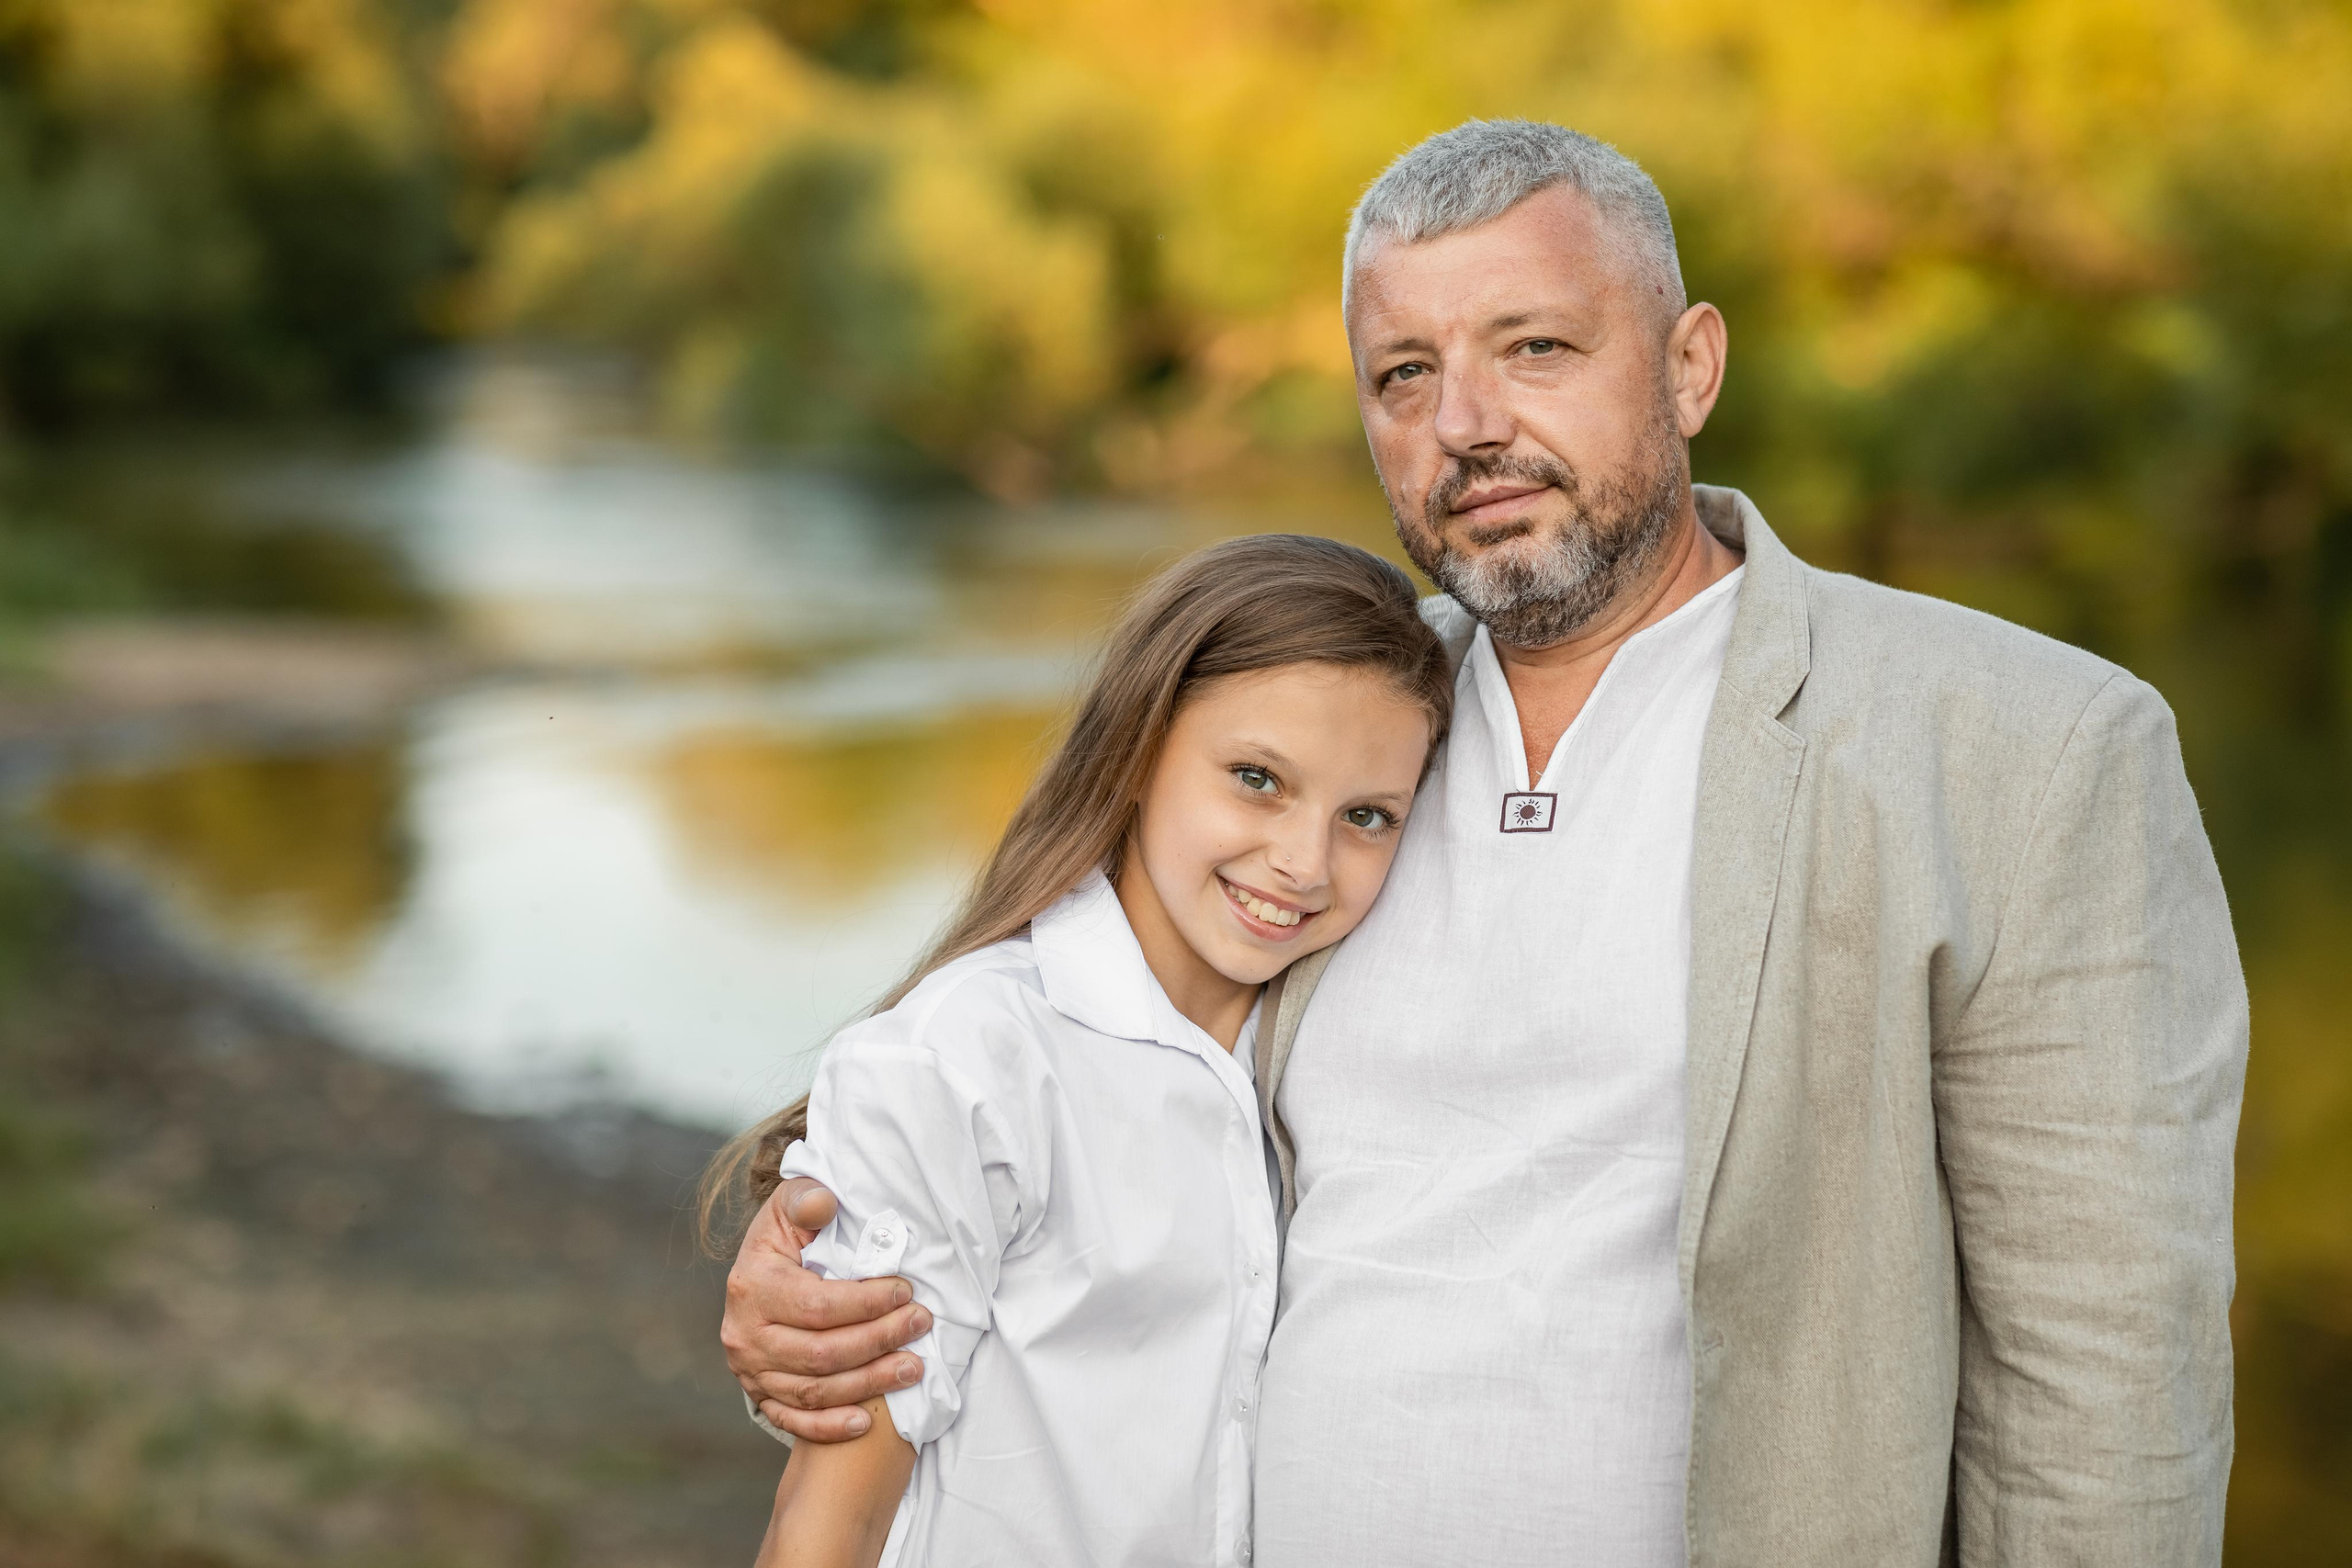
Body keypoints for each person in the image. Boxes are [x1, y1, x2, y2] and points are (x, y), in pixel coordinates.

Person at [720, 121, 2248, 1566]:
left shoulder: (2027, 749)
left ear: (1690, 365)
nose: (1466, 424)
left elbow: (2108, 1371)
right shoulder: (1341, 723)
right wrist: (837, 1267)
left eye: (1536, 348)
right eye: (1405, 373)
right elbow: (1070, 1087)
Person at [710, 534, 1451, 1566]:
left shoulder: (1329, 1056)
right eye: (1257, 779)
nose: (1303, 861)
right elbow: (828, 1521)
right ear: (1138, 753)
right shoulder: (970, 1055)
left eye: (1366, 816)